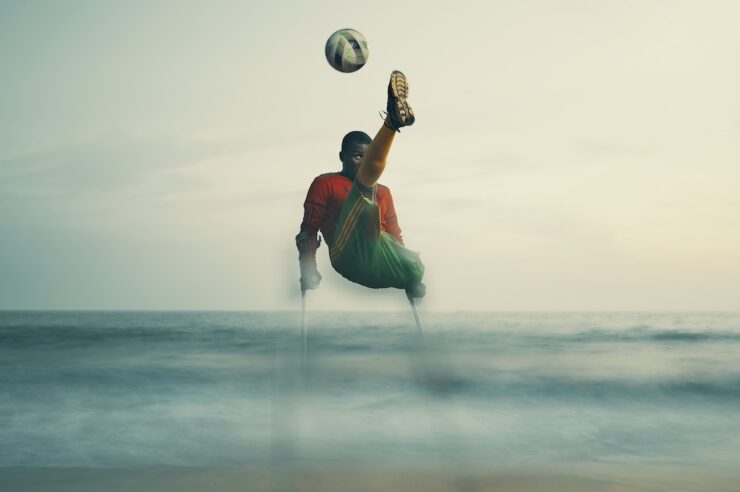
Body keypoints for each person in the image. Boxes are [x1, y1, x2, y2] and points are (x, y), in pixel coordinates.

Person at [296, 70, 426, 298]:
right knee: (364, 200)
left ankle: (412, 273)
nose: (361, 163)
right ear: (341, 156)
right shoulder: (325, 183)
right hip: (348, 256)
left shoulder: (385, 193)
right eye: (357, 156)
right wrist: (308, 268)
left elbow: (395, 234)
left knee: (415, 265)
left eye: (367, 158)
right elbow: (308, 230)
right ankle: (392, 122)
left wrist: (411, 281)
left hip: (377, 260)